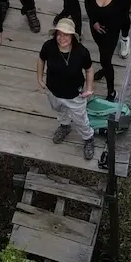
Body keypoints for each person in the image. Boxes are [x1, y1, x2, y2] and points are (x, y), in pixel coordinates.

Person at [37, 15, 96, 158]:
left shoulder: (81, 52)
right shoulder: (48, 46)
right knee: (59, 110)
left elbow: (89, 69)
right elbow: (41, 59)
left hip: (74, 94)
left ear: (72, 37)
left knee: (81, 118)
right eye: (59, 34)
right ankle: (65, 126)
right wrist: (39, 78)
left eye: (66, 35)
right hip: (53, 91)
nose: (62, 38)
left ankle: (88, 138)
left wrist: (88, 88)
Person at [84, 0, 127, 99]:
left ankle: (111, 91)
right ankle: (103, 68)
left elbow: (125, 13)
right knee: (103, 54)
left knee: (106, 59)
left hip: (111, 32)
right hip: (97, 30)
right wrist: (93, 22)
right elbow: (87, 4)